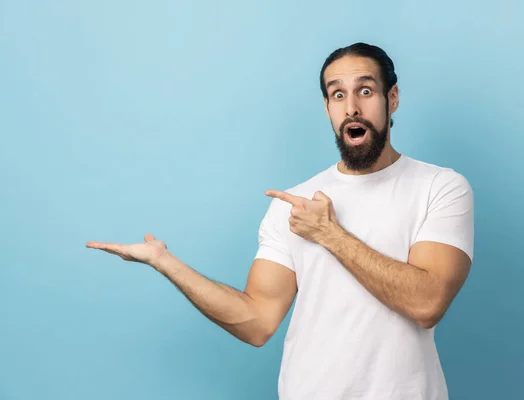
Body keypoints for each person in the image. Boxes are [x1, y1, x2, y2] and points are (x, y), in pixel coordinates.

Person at [86, 42, 474, 400]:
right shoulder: (294, 204)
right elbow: (257, 321)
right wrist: (164, 262)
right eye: (338, 94)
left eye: (366, 91)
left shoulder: (439, 187)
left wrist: (329, 234)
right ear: (327, 108)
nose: (352, 107)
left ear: (393, 98)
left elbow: (427, 303)